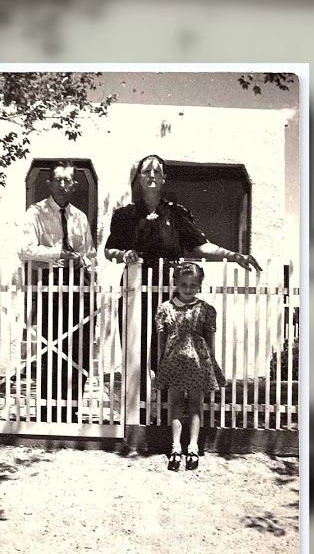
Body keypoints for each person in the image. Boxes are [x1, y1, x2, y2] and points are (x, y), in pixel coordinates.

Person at [104, 155, 259, 416]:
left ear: (164, 178)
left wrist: (234, 255)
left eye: (157, 171)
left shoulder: (176, 213)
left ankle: (166, 416)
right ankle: (137, 417)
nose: (151, 175)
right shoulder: (125, 215)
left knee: (168, 352)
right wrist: (123, 254)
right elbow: (109, 250)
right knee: (135, 353)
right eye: (146, 171)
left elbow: (201, 245)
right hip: (135, 291)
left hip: (168, 292)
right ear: (138, 178)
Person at [17, 162, 97, 422]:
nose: (63, 185)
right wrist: (57, 254)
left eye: (68, 181)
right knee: (51, 348)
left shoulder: (80, 218)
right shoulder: (36, 213)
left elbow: (90, 255)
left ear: (74, 185)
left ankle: (71, 408)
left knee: (78, 349)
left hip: (79, 286)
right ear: (49, 183)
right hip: (50, 285)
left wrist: (84, 264)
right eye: (58, 180)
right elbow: (25, 249)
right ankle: (48, 409)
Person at [152, 262, 226, 471]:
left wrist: (211, 363)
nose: (188, 289)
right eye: (184, 284)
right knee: (175, 404)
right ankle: (176, 447)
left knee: (195, 405)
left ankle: (193, 447)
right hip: (174, 363)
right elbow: (161, 341)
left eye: (193, 285)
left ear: (199, 285)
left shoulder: (205, 310)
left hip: (197, 364)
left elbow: (210, 341)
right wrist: (161, 364)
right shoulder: (165, 309)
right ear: (176, 283)